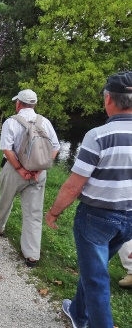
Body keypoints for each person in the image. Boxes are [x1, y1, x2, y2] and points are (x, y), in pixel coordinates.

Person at [45, 71, 132, 328]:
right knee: (95, 267)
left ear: (108, 99)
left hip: (97, 217)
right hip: (128, 219)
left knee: (96, 279)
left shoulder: (99, 135)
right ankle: (78, 313)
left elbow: (74, 186)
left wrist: (53, 212)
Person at [0, 89, 60, 267]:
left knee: (6, 200)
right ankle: (32, 255)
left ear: (18, 103)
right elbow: (56, 147)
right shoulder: (45, 122)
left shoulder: (11, 122)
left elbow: (7, 149)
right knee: (34, 212)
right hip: (38, 174)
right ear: (34, 105)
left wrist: (21, 169)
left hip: (15, 170)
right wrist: (40, 167)